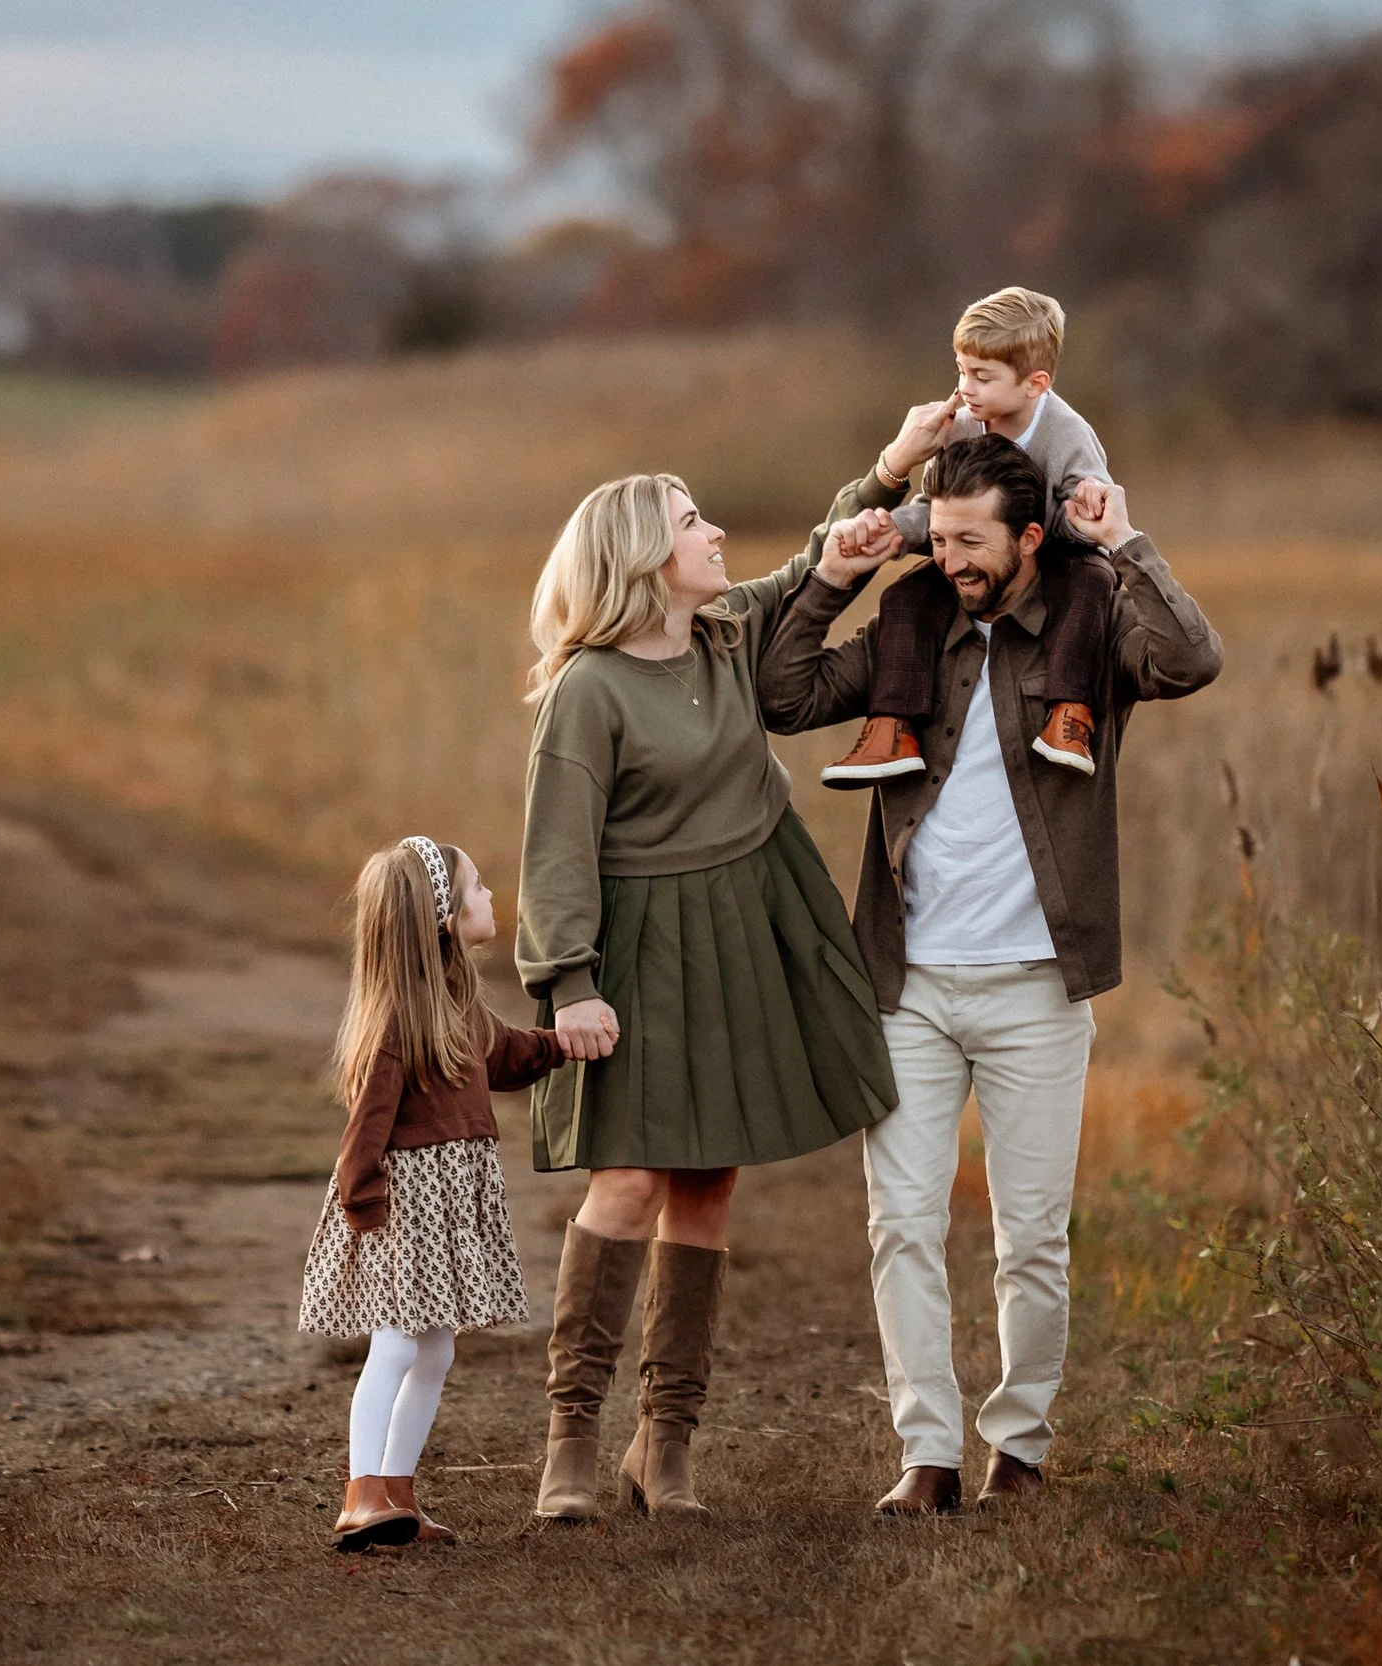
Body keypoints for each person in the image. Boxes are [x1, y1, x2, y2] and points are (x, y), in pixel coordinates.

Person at [759, 435, 1224, 1515]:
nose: (952, 558)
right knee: (902, 1225)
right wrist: (835, 575)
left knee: (1033, 1238)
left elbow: (1192, 660)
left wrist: (1129, 545)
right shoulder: (909, 627)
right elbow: (784, 693)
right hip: (907, 984)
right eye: (942, 536)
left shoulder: (1089, 628)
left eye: (974, 541)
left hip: (1033, 988)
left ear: (1027, 538)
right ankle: (927, 1453)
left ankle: (1019, 1442)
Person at [517, 473, 897, 1522]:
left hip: (744, 924)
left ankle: (665, 1442)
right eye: (692, 522)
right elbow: (555, 853)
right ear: (644, 555)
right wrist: (568, 987)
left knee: (707, 1185)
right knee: (629, 1182)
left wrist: (892, 471)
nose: (717, 531)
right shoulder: (585, 690)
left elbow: (826, 557)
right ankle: (572, 1440)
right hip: (641, 947)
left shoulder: (727, 632)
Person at [298, 835, 574, 1551]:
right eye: (477, 888)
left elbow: (507, 1055)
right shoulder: (401, 1017)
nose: (490, 899)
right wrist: (364, 1202)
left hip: (450, 1198)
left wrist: (566, 1042)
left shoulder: (455, 1000)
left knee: (437, 1349)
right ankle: (361, 1496)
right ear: (446, 917)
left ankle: (399, 1495)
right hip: (405, 1202)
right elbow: (367, 1123)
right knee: (394, 1342)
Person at [819, 286, 1121, 789]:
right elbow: (937, 510)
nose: (966, 388)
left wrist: (1081, 510)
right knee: (905, 596)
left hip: (1058, 557)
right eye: (961, 371)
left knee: (1094, 583)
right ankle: (891, 727)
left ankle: (1069, 715)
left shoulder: (1068, 435)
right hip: (979, 562)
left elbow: (1089, 519)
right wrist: (896, 529)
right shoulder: (958, 428)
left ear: (1035, 384)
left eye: (982, 377)